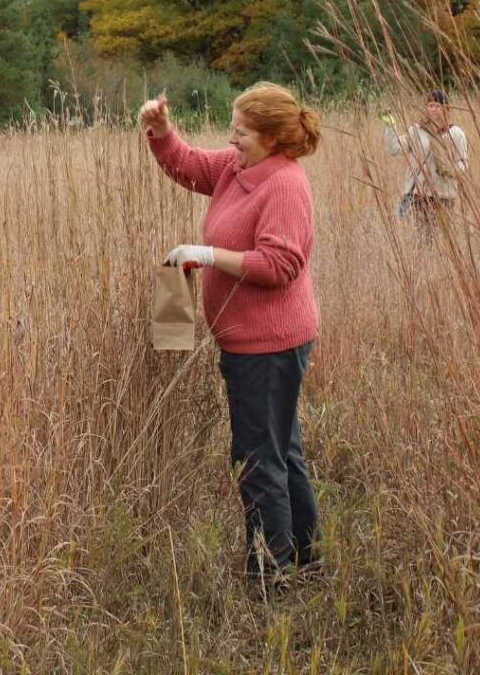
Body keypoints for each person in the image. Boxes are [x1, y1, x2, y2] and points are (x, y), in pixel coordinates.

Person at [139, 83, 321, 585]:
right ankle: (306, 557)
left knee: (258, 458)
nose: (231, 138)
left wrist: (206, 255)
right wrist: (161, 133)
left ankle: (271, 577)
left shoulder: (284, 184)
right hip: (250, 339)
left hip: (270, 344)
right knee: (280, 447)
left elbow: (282, 264)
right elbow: (190, 165)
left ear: (271, 137)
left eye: (240, 131)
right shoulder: (238, 169)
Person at [382, 89, 468, 227]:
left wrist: (450, 170)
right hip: (420, 195)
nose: (433, 109)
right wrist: (390, 126)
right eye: (430, 105)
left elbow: (463, 164)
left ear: (446, 109)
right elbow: (394, 148)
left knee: (443, 241)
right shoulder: (416, 131)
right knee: (423, 240)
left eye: (437, 106)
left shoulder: (456, 133)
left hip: (444, 195)